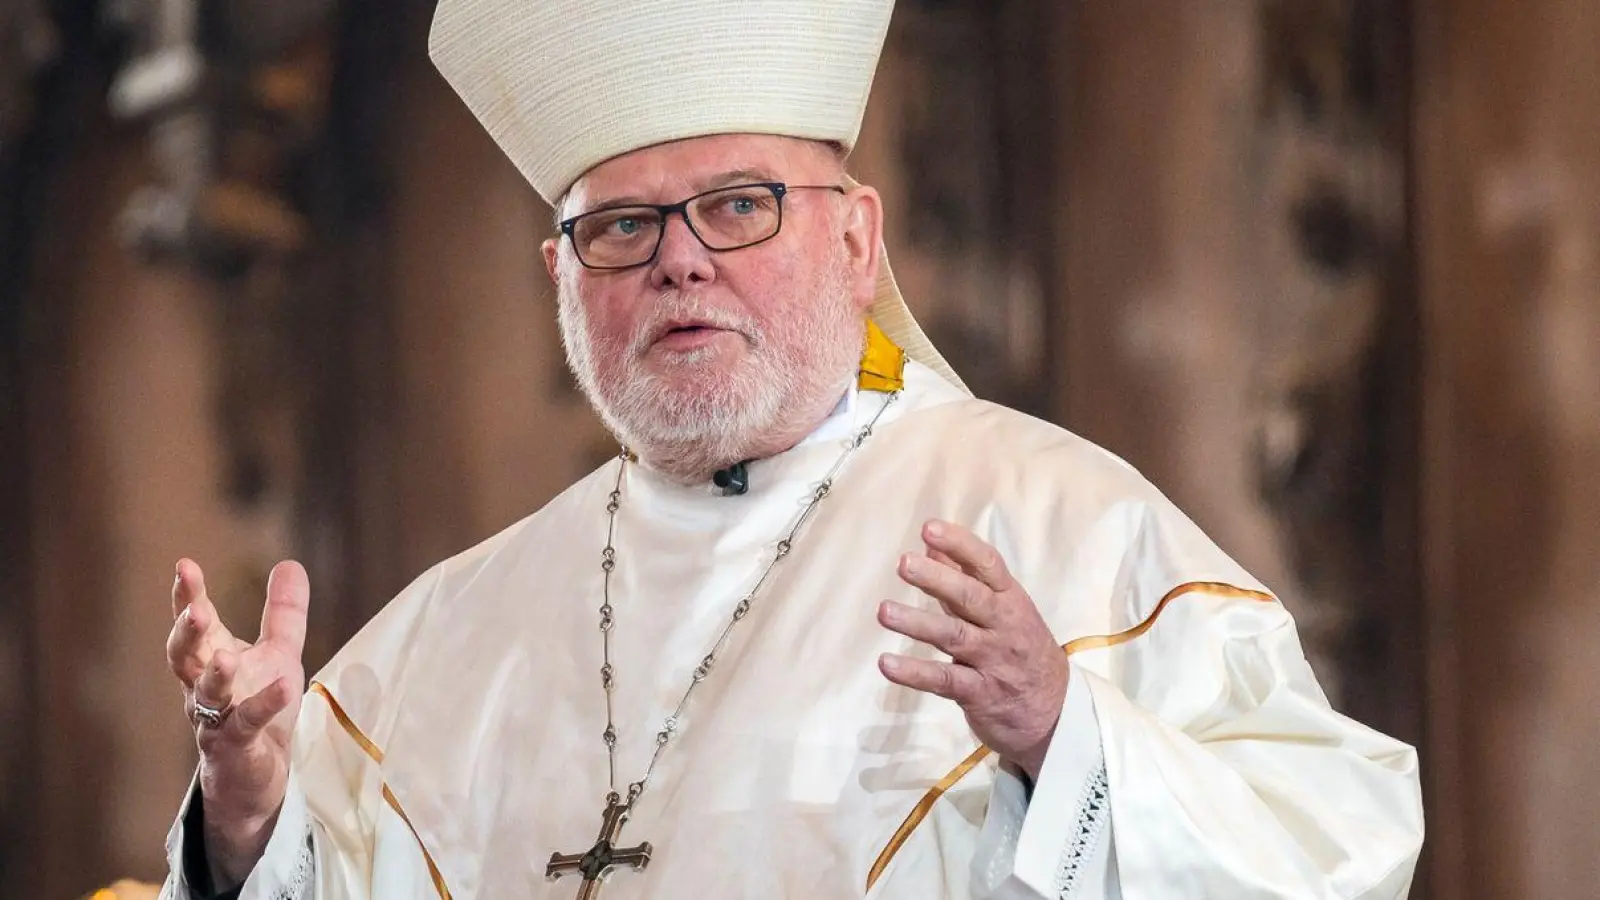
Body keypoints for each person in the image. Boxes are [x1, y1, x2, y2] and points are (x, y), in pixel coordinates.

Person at [158, 0, 1424, 897]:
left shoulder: (1058, 527)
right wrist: (249, 821)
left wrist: (1063, 735)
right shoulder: (452, 634)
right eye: (621, 229)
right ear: (560, 280)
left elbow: (1340, 852)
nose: (679, 257)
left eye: (739, 204)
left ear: (858, 242)